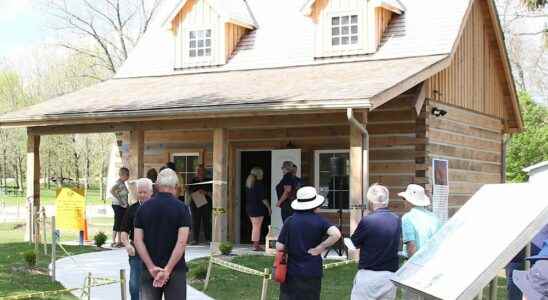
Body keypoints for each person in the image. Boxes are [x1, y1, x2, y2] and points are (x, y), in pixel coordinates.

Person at [134, 168, 192, 300]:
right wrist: (168, 269)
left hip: (149, 271)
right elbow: (182, 242)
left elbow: (138, 241)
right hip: (176, 269)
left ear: (157, 185)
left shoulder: (143, 208)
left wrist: (151, 267)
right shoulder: (182, 208)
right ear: (176, 186)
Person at [276, 186, 341, 300]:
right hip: (312, 271)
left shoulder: (289, 221)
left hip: (292, 272)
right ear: (315, 205)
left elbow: (279, 246)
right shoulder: (320, 220)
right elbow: (336, 234)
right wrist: (320, 248)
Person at [350, 184, 401, 300]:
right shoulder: (397, 219)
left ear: (371, 200)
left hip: (369, 274)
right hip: (390, 275)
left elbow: (354, 242)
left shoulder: (368, 220)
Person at [121, 178, 154, 300]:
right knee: (134, 285)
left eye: (145, 192)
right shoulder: (132, 209)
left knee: (152, 286)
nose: (142, 195)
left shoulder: (158, 208)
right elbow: (124, 231)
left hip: (154, 253)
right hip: (136, 253)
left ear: (151, 192)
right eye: (140, 192)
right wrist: (127, 245)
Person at [399, 184, 441, 258]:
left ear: (409, 201)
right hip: (433, 259)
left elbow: (411, 246)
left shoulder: (407, 217)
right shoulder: (434, 217)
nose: (404, 202)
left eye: (404, 199)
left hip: (418, 261)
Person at [246, 167, 271, 251]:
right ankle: (256, 246)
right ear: (259, 174)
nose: (263, 174)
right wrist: (269, 207)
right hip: (257, 208)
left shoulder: (249, 184)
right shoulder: (259, 184)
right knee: (257, 227)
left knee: (255, 226)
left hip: (250, 207)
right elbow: (263, 198)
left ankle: (255, 245)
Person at [189, 164, 212, 244]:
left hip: (207, 203)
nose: (198, 172)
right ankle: (195, 240)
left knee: (207, 221)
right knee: (195, 221)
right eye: (197, 170)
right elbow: (189, 191)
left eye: (200, 170)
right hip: (195, 203)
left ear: (204, 171)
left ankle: (208, 239)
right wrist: (196, 193)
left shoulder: (209, 180)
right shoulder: (193, 180)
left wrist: (205, 192)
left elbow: (213, 193)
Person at [110, 167, 130, 248]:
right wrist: (120, 201)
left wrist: (126, 203)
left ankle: (119, 241)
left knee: (121, 223)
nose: (128, 176)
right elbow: (112, 191)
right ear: (122, 175)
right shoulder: (118, 183)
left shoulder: (123, 183)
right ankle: (113, 241)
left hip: (123, 206)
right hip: (118, 205)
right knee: (117, 222)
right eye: (127, 175)